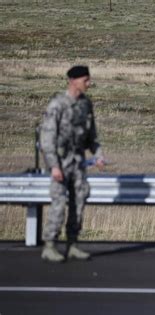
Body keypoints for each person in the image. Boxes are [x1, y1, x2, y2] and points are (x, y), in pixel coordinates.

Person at [40, 65, 105, 262]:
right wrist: (54, 166)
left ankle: (73, 244)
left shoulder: (85, 104)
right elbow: (47, 139)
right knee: (58, 205)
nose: (89, 83)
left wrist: (99, 154)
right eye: (85, 80)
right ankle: (49, 245)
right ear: (73, 81)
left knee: (79, 203)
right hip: (60, 162)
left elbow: (92, 136)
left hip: (78, 162)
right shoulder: (57, 105)